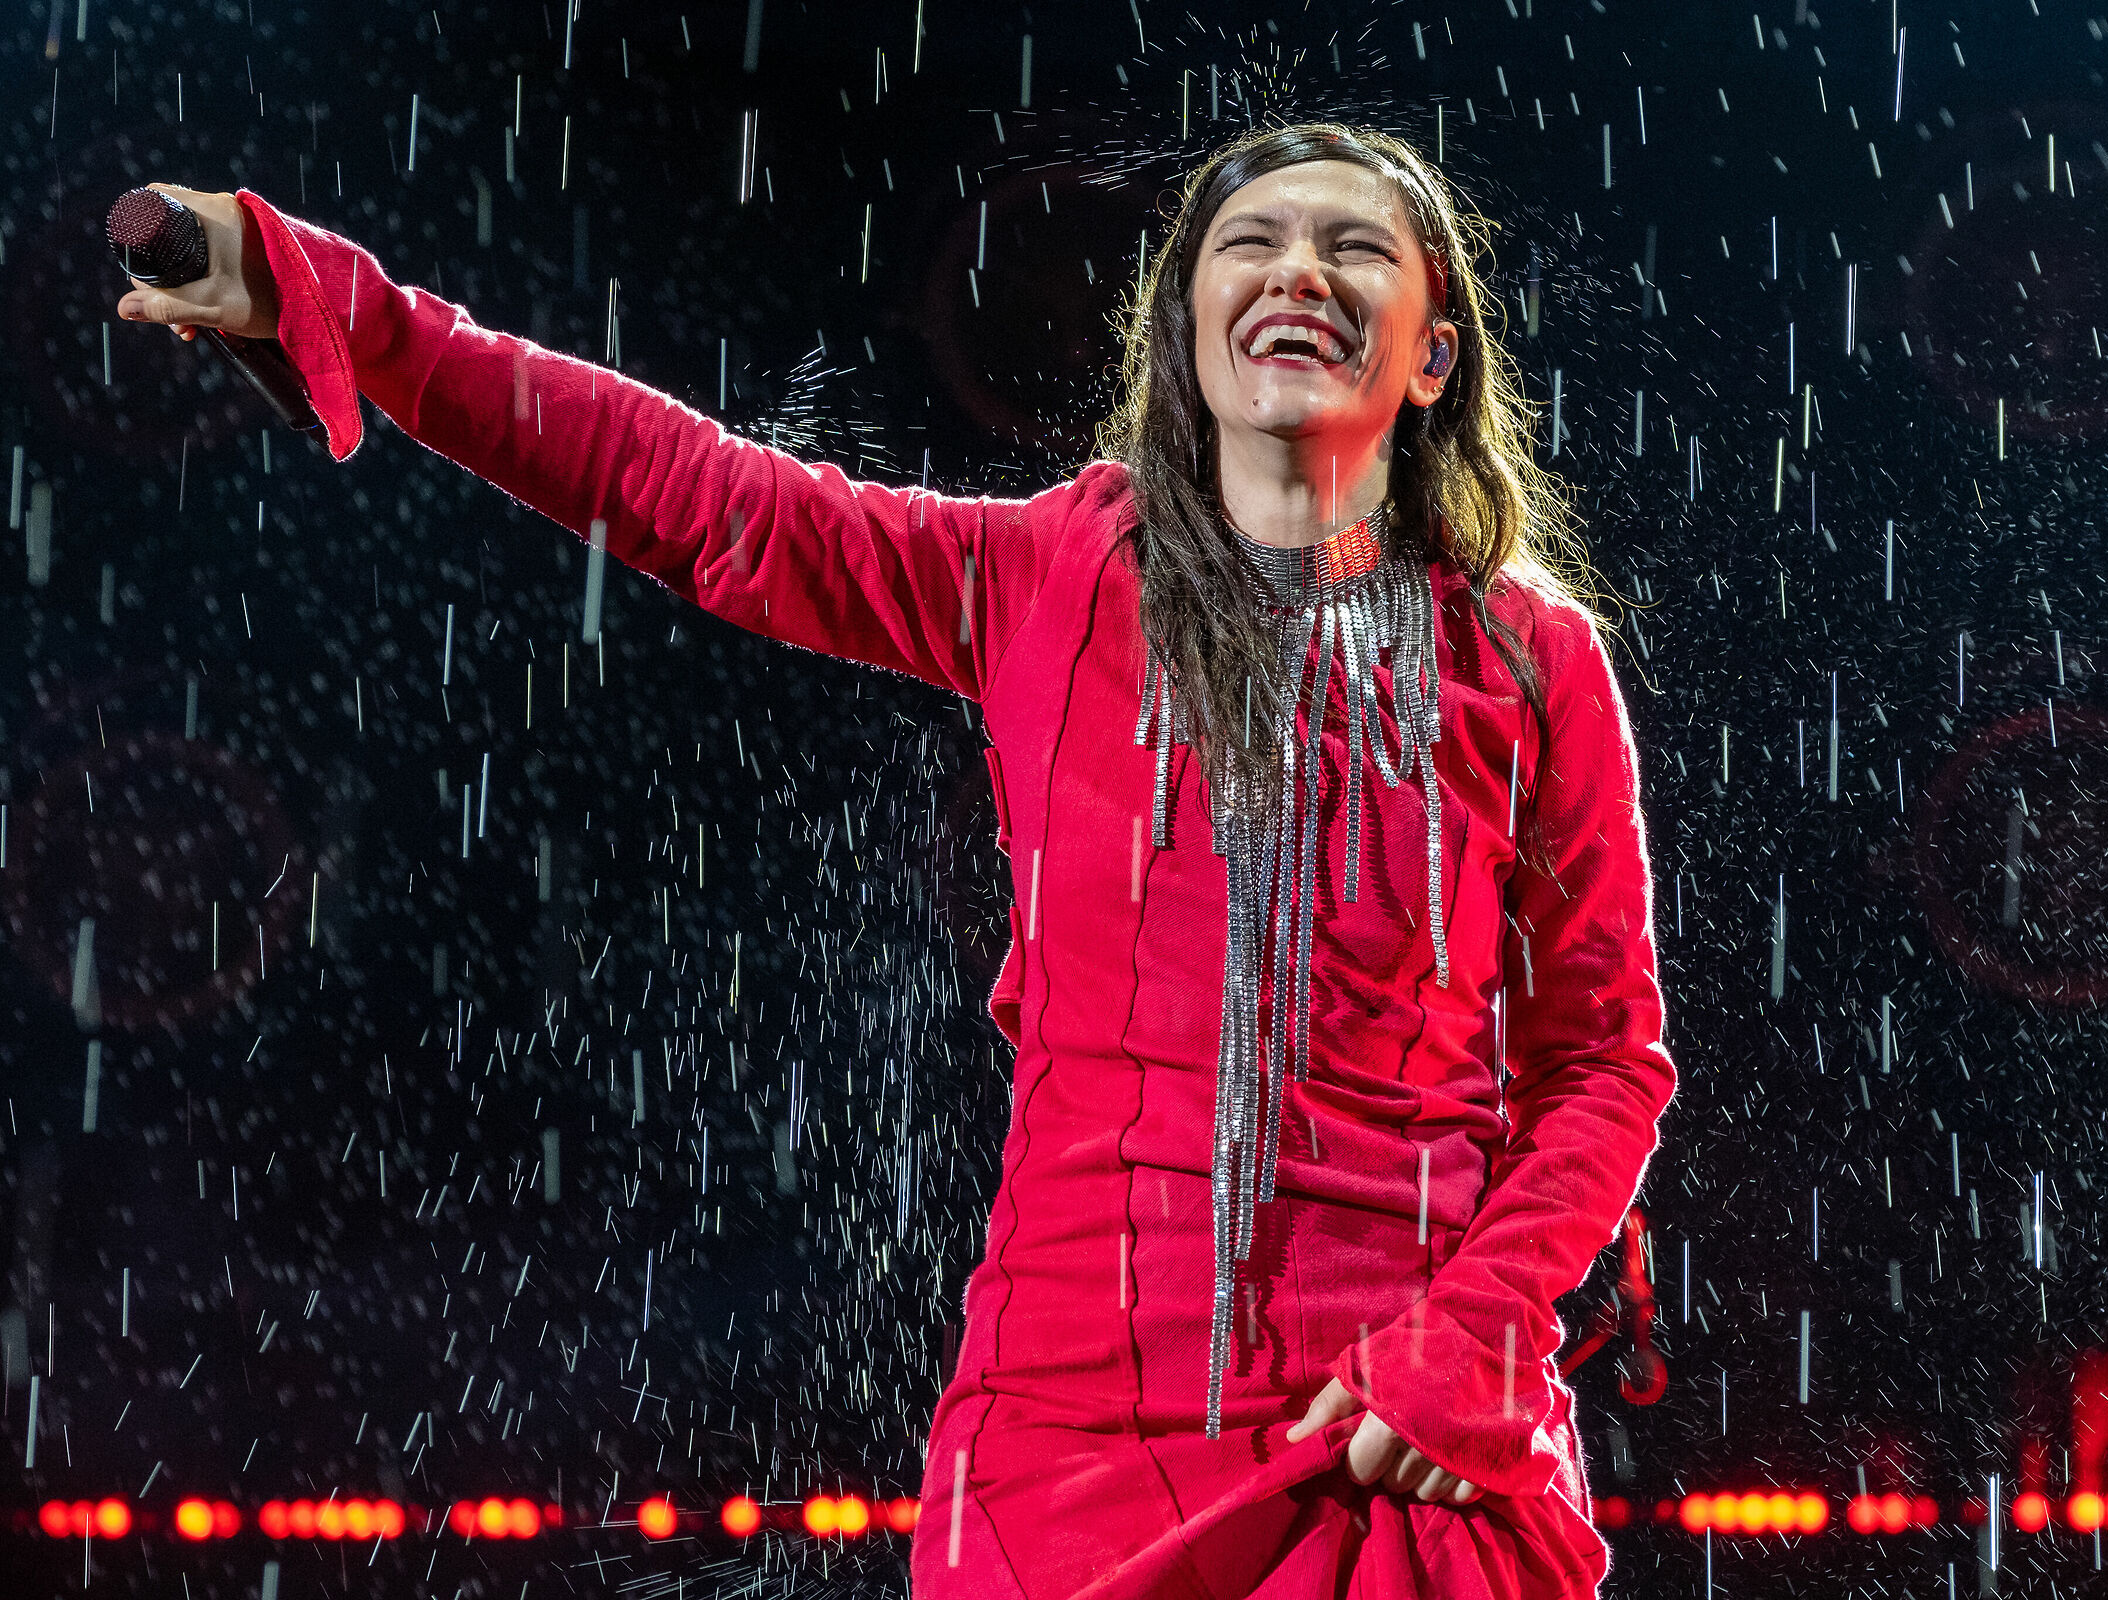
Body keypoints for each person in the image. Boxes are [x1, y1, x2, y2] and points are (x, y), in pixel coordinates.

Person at [119, 120, 1677, 1599]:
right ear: (1187, 331)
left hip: (1399, 1439)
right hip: (1066, 1447)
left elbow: (1603, 1064)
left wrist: (1472, 1334)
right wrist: (361, 317)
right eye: (1251, 242)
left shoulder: (1531, 659)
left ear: (1433, 357)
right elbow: (695, 497)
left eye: (1355, 248)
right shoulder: (1052, 576)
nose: (1298, 271)